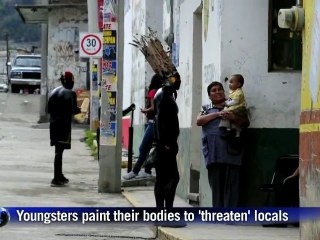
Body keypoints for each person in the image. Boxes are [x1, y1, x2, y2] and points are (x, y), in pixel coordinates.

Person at [196, 81, 249, 207]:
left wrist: (233, 117)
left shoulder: (235, 107)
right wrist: (218, 114)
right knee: (216, 186)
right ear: (209, 96)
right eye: (214, 90)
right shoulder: (205, 109)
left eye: (220, 89)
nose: (218, 92)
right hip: (214, 153)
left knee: (232, 185)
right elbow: (199, 121)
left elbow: (245, 123)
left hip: (232, 152)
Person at [123, 74, 163, 180]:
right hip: (159, 123)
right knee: (150, 147)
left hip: (153, 123)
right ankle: (147, 170)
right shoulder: (162, 92)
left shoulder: (152, 92)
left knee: (143, 148)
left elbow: (153, 108)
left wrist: (145, 110)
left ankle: (135, 171)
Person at [47, 71, 80, 187]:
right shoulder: (71, 93)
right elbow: (74, 110)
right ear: (70, 81)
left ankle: (59, 175)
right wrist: (81, 109)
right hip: (63, 126)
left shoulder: (53, 91)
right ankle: (56, 178)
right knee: (59, 152)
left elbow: (48, 110)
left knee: (58, 151)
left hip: (54, 125)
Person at [153, 72, 181, 208]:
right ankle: (164, 209)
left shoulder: (167, 95)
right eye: (175, 79)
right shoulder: (164, 95)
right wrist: (165, 142)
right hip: (165, 144)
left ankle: (165, 209)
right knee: (168, 178)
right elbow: (160, 120)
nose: (178, 81)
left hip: (167, 143)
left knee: (166, 178)